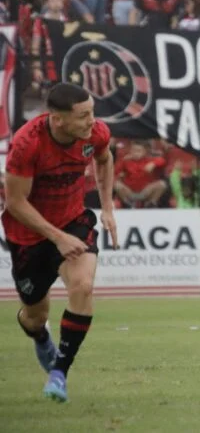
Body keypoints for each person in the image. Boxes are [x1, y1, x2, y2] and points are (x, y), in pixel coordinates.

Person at [3, 83, 119, 402]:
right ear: (58, 119)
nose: (92, 121)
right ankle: (41, 339)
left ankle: (59, 373)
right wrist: (57, 237)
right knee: (34, 317)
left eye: (92, 112)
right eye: (83, 116)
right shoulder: (27, 144)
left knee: (82, 286)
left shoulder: (95, 134)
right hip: (28, 235)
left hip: (73, 221)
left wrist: (107, 208)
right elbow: (15, 202)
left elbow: (104, 159)